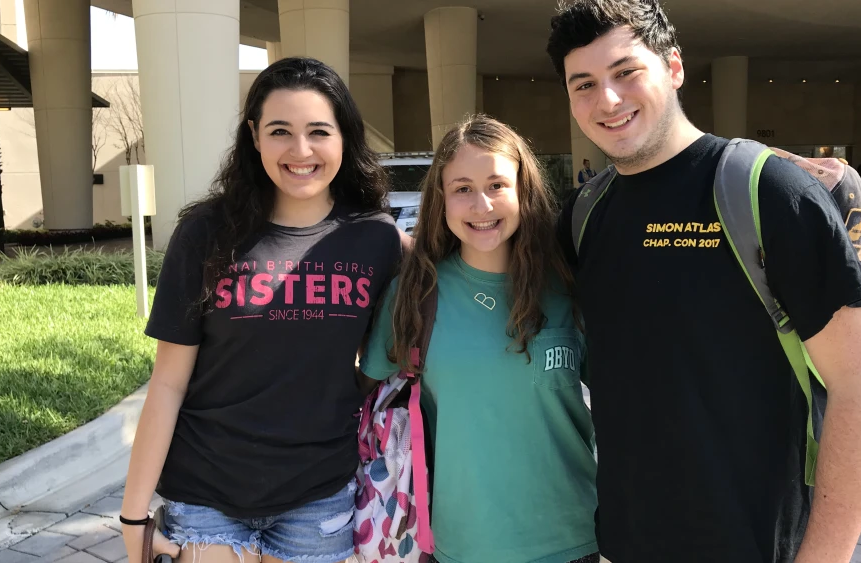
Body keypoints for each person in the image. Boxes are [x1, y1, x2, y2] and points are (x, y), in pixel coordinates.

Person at [546, 1, 861, 562]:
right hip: (626, 543)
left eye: (626, 72)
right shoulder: (586, 214)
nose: (606, 100)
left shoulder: (768, 194)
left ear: (674, 67)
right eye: (583, 83)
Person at [119, 57, 406, 563]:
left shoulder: (376, 239)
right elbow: (167, 383)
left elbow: (454, 271)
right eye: (280, 131)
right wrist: (133, 515)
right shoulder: (206, 233)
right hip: (205, 492)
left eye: (319, 131)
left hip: (317, 495)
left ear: (345, 138)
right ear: (254, 136)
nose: (301, 151)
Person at [360, 114, 599, 563]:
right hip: (461, 547)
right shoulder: (414, 294)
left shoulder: (568, 286)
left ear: (522, 191)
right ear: (441, 201)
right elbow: (362, 397)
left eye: (496, 185)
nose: (482, 205)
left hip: (575, 540)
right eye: (463, 188)